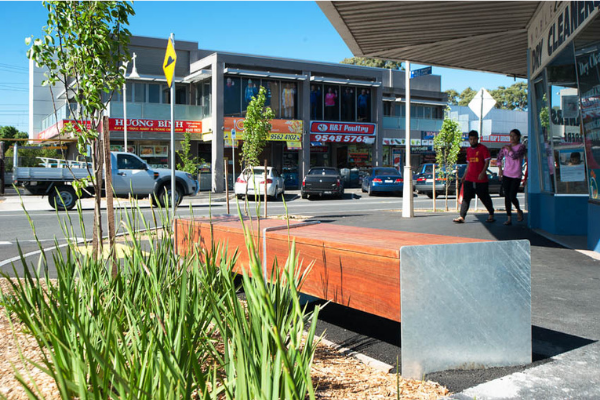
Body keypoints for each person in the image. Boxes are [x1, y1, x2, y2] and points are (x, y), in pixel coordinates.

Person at [453, 130, 495, 224]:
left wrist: (483, 173)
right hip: (469, 178)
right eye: (470, 139)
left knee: (484, 197)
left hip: (481, 179)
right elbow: (468, 165)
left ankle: (491, 214)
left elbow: (487, 161)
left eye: (474, 139)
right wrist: (464, 176)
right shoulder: (468, 150)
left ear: (477, 139)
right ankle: (462, 216)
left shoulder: (483, 148)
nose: (472, 141)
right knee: (466, 198)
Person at [497, 129, 526, 225]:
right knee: (507, 196)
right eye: (510, 136)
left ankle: (518, 209)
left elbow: (515, 156)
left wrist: (509, 150)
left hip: (516, 175)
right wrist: (500, 169)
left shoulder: (521, 147)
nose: (512, 138)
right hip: (506, 174)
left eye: (514, 136)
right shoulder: (505, 147)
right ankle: (509, 217)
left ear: (518, 137)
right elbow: (499, 158)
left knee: (512, 195)